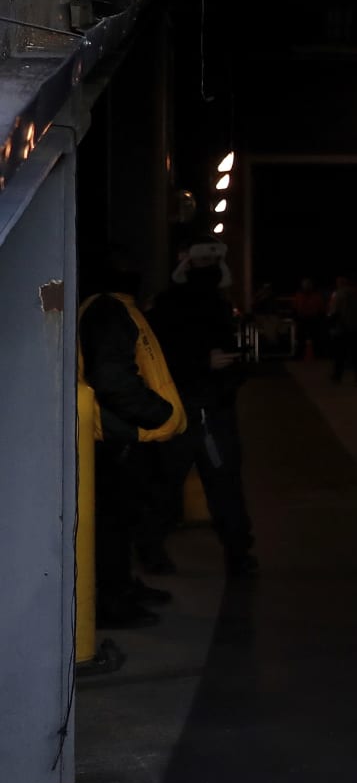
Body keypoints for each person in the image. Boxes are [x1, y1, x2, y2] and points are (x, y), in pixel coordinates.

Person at [78, 249, 186, 628]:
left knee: (120, 520)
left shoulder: (109, 306)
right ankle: (112, 600)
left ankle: (121, 588)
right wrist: (157, 413)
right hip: (119, 434)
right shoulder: (109, 310)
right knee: (112, 521)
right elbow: (112, 378)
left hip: (121, 431)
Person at [146, 238, 260, 578]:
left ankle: (153, 549)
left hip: (198, 407)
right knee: (212, 485)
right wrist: (204, 364)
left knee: (174, 484)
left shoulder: (185, 303)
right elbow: (161, 355)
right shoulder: (189, 304)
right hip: (198, 408)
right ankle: (236, 554)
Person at [329, 275, 357, 384]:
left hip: (344, 327)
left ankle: (337, 376)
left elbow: (334, 311)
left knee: (340, 354)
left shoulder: (340, 293)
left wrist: (333, 325)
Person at [292, 278, 327, 361]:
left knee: (316, 339)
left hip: (313, 319)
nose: (307, 286)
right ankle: (299, 356)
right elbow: (294, 307)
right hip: (302, 319)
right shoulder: (298, 295)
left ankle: (319, 355)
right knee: (301, 339)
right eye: (305, 284)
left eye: (308, 284)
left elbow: (321, 309)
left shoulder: (317, 296)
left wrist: (320, 319)